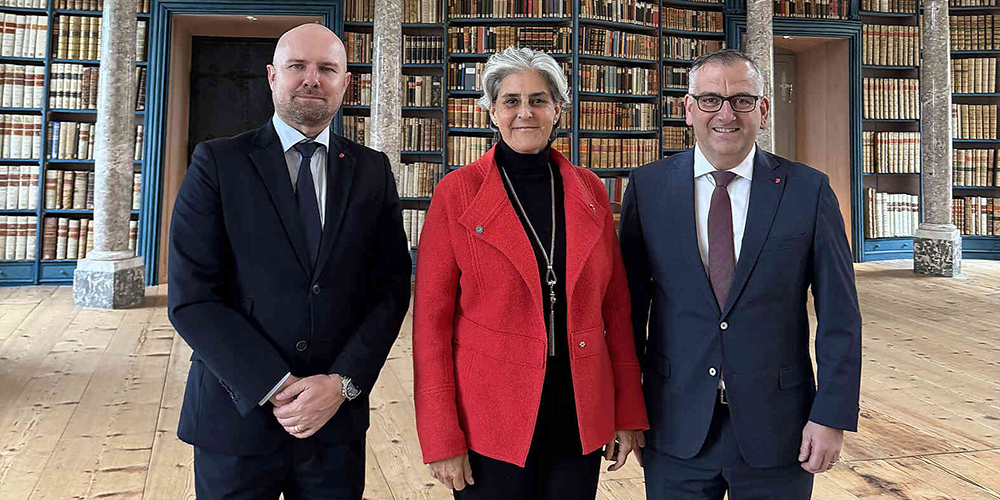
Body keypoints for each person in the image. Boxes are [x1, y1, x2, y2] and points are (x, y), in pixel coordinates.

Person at [167, 23, 411, 499]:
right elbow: (193, 296)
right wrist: (276, 385)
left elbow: (391, 290)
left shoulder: (371, 171)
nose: (311, 79)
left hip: (334, 423)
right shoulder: (216, 163)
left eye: (327, 69)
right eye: (298, 66)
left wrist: (341, 384)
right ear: (272, 75)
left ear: (346, 82)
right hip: (236, 415)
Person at [619, 48, 862, 499]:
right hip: (674, 425)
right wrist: (625, 410)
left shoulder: (808, 190)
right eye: (710, 99)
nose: (725, 113)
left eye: (743, 100)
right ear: (688, 109)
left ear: (763, 110)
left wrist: (831, 415)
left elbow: (840, 318)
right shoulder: (648, 188)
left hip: (780, 429)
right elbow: (628, 313)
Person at [412, 46, 649, 499]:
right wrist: (441, 436)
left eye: (538, 100)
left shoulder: (591, 190)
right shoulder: (456, 193)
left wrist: (627, 412)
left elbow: (617, 312)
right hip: (490, 415)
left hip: (579, 410)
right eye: (511, 101)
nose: (525, 112)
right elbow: (429, 327)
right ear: (491, 111)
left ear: (558, 109)